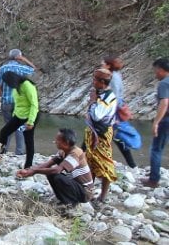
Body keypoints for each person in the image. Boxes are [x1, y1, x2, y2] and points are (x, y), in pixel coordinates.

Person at [17, 128, 94, 206]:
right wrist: (30, 170)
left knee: (58, 177)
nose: (55, 142)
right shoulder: (63, 151)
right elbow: (47, 164)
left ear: (66, 143)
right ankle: (64, 200)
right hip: (76, 186)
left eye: (57, 140)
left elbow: (57, 170)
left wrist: (35, 171)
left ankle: (70, 203)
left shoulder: (76, 153)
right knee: (51, 174)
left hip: (85, 192)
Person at [0, 49, 37, 155]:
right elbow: (33, 69)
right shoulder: (22, 68)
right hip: (20, 104)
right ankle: (19, 151)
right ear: (19, 57)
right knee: (19, 127)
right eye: (21, 56)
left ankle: (3, 151)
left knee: (7, 127)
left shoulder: (2, 69)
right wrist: (24, 59)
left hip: (6, 102)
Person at [84, 68, 118, 204]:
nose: (93, 82)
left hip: (101, 134)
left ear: (102, 82)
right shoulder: (101, 94)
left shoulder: (108, 97)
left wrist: (93, 101)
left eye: (95, 80)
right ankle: (89, 192)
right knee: (90, 161)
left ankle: (103, 196)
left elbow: (97, 115)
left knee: (104, 162)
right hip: (93, 133)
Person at [0, 72, 39, 168]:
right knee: (4, 132)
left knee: (28, 140)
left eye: (7, 82)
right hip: (19, 115)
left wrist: (30, 121)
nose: (7, 85)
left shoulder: (27, 85)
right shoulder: (15, 87)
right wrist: (14, 114)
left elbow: (34, 104)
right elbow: (17, 103)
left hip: (29, 116)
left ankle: (28, 166)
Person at [102, 55, 136, 168]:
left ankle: (80, 158)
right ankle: (132, 165)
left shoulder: (114, 77)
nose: (101, 64)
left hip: (112, 110)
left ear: (108, 65)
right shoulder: (113, 75)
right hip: (110, 109)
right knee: (106, 135)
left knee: (112, 136)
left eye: (103, 63)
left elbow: (115, 96)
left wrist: (111, 114)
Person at [141, 58, 169, 188]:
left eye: (156, 70)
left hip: (166, 119)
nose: (155, 73)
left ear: (162, 70)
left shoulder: (164, 83)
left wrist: (156, 122)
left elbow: (164, 102)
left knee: (156, 149)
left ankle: (153, 180)